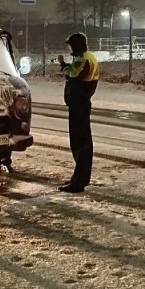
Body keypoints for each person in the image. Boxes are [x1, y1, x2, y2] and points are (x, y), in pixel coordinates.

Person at [56, 32, 100, 193]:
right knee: (82, 142)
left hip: (79, 105)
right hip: (81, 103)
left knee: (80, 143)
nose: (70, 48)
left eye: (71, 45)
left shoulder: (84, 59)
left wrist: (62, 64)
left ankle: (79, 181)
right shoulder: (88, 57)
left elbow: (73, 74)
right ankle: (79, 177)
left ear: (77, 45)